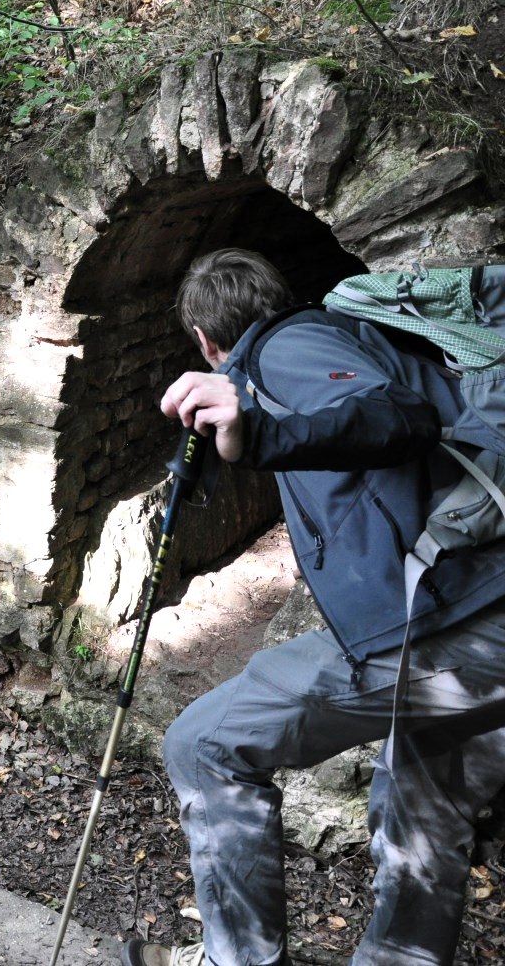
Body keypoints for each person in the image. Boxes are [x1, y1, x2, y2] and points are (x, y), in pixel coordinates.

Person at [132, 247, 505, 966]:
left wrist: (260, 433)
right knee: (424, 806)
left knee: (203, 743)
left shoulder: (289, 345)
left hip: (452, 620)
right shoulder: (332, 343)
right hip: (482, 607)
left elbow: (399, 416)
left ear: (206, 341)